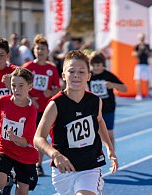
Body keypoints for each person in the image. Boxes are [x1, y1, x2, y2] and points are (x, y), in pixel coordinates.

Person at [34, 50, 118, 195]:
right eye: (71, 71)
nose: (76, 75)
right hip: (64, 170)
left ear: (88, 76)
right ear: (63, 75)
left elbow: (99, 122)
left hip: (90, 166)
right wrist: (55, 155)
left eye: (81, 72)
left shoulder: (94, 101)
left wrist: (110, 149)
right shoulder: (55, 104)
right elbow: (38, 138)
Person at [0, 67, 38, 195]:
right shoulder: (3, 101)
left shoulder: (31, 110)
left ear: (29, 87)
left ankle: (12, 181)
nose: (16, 89)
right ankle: (6, 182)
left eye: (21, 86)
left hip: (25, 154)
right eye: (13, 85)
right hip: (5, 149)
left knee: (22, 192)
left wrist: (14, 138)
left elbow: (26, 142)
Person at [22, 34, 61, 176]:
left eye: (43, 49)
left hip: (46, 109)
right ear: (34, 50)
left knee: (42, 137)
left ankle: (38, 164)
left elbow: (58, 88)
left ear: (47, 51)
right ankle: (26, 162)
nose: (40, 51)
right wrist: (31, 98)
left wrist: (50, 91)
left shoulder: (52, 68)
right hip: (29, 108)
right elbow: (20, 86)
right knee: (28, 137)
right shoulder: (28, 67)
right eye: (38, 48)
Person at [87, 51, 127, 149]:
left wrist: (113, 85)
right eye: (93, 65)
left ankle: (112, 153)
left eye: (98, 65)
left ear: (103, 65)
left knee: (109, 134)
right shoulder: (88, 75)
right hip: (94, 109)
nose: (96, 68)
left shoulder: (108, 75)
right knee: (94, 135)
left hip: (108, 108)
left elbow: (125, 88)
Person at [133, 33, 152, 101]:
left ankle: (148, 93)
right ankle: (139, 94)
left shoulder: (147, 45)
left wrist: (145, 50)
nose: (142, 39)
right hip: (139, 65)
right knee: (138, 80)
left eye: (143, 38)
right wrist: (140, 50)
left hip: (146, 64)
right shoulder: (137, 46)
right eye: (141, 38)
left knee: (148, 79)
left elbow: (150, 54)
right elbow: (134, 54)